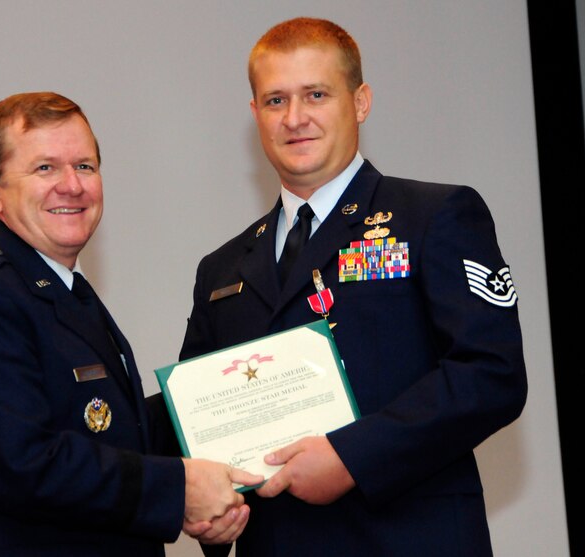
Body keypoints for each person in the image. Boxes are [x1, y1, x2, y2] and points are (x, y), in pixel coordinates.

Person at [179, 17, 527, 556]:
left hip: (408, 539)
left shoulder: (433, 216)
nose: (295, 118)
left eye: (315, 94)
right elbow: (197, 417)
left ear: (360, 101)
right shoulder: (221, 269)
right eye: (275, 101)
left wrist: (352, 456)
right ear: (255, 115)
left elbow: (491, 373)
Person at [0, 91, 260, 556]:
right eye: (45, 168)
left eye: (85, 166)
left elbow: (111, 432)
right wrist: (179, 490)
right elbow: (23, 464)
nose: (71, 185)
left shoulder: (65, 292)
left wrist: (230, 400)